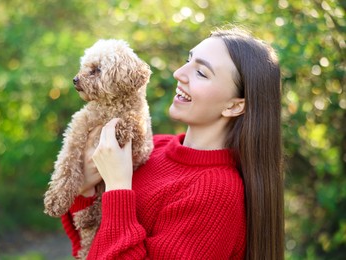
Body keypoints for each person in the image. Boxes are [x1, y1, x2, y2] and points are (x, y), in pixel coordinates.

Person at [61, 27, 284, 260]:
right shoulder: (153, 148)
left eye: (202, 73)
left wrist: (118, 186)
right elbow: (88, 249)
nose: (179, 73)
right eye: (188, 60)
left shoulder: (217, 193)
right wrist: (85, 189)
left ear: (235, 106)